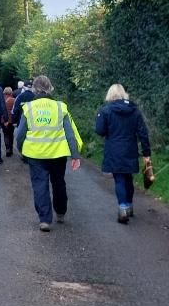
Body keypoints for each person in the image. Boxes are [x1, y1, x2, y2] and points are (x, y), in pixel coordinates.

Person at [16, 75, 83, 232]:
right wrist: (75, 155)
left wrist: (21, 150)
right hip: (58, 154)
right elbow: (70, 133)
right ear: (50, 88)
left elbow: (20, 134)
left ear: (34, 89)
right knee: (58, 182)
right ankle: (60, 212)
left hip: (35, 154)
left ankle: (45, 220)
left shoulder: (29, 108)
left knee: (40, 185)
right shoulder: (60, 107)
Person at [94, 84, 151, 224]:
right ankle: (130, 206)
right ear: (124, 94)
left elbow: (100, 131)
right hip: (130, 149)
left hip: (114, 149)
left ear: (110, 95)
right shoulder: (134, 111)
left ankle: (123, 208)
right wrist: (146, 152)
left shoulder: (106, 110)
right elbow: (143, 133)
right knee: (128, 178)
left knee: (119, 179)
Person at [1, 86, 15, 157]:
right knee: (11, 134)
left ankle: (7, 149)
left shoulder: (1, 99)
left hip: (3, 120)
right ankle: (11, 149)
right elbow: (14, 111)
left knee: (5, 135)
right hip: (11, 120)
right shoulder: (13, 100)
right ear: (11, 92)